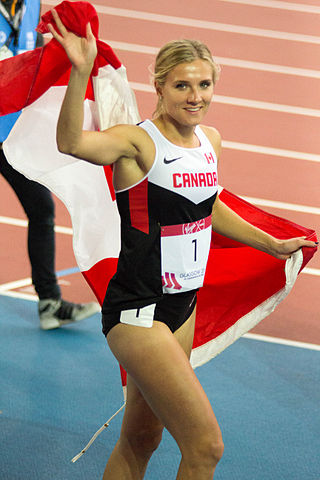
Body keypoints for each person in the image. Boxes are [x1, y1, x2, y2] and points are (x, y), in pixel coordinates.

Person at [48, 10, 317, 479]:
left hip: (182, 309)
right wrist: (80, 71)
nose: (196, 97)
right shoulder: (135, 144)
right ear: (159, 86)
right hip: (138, 312)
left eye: (204, 85)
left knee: (141, 438)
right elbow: (71, 142)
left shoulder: (209, 141)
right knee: (205, 446)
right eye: (182, 86)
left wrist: (270, 244)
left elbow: (206, 206)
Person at [0, 1, 100, 330]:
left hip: (10, 133)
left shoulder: (30, 5)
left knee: (41, 210)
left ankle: (49, 303)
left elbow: (40, 62)